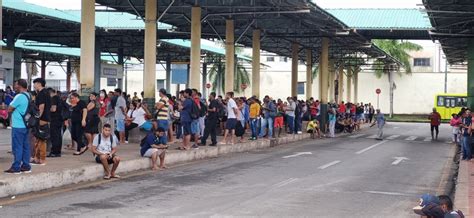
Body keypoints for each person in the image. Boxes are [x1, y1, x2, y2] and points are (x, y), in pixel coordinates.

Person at [4, 79, 32, 174]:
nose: (14, 86)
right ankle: (26, 166)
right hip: (26, 125)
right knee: (25, 146)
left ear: (19, 86)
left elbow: (10, 108)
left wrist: (10, 109)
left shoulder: (19, 96)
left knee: (17, 147)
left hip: (18, 125)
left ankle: (16, 167)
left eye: (15, 85)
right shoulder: (28, 95)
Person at [31, 78, 51, 166]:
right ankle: (37, 158)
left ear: (39, 84)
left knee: (41, 139)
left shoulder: (42, 93)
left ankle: (41, 159)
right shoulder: (46, 93)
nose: (34, 85)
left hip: (42, 119)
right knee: (38, 138)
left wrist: (37, 117)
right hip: (45, 117)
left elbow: (41, 106)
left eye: (34, 84)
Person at [48, 88, 64, 158]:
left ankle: (54, 151)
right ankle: (58, 151)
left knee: (54, 136)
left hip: (55, 119)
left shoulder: (54, 99)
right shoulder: (59, 98)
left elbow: (53, 109)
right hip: (59, 119)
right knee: (58, 136)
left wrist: (47, 109)